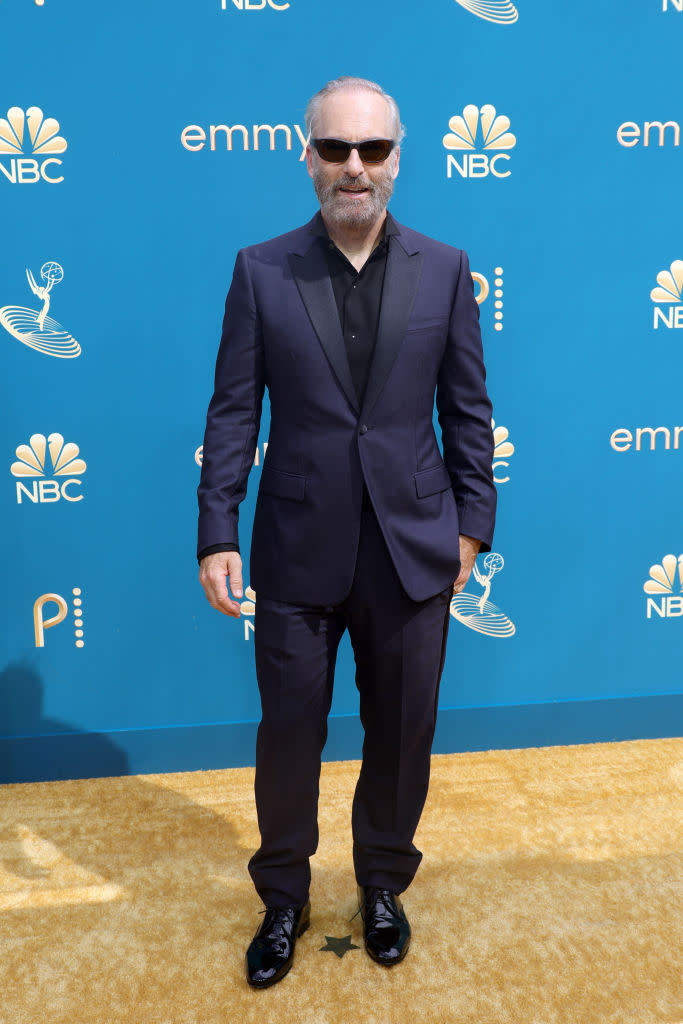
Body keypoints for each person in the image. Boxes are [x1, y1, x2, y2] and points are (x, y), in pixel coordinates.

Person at [197, 76, 497, 987]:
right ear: (308, 156)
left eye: (371, 150)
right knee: (288, 734)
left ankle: (380, 884)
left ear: (398, 157)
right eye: (336, 150)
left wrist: (472, 528)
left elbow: (469, 413)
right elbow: (234, 412)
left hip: (413, 551)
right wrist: (219, 528)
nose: (354, 168)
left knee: (403, 734)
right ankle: (283, 896)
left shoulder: (445, 268)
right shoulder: (261, 269)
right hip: (296, 551)